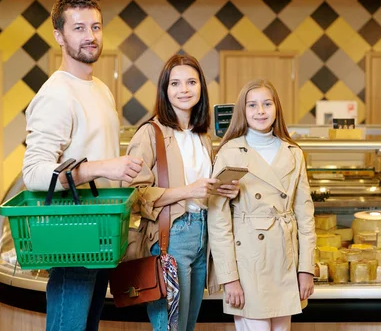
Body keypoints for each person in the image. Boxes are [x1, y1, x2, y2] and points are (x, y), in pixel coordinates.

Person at [22, 0, 143, 331]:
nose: (90, 36)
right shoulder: (56, 94)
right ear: (59, 36)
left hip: (101, 230)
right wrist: (103, 168)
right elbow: (33, 173)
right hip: (71, 233)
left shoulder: (100, 87)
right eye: (78, 28)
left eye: (96, 26)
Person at [125, 54, 238, 331]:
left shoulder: (202, 136)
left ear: (201, 88)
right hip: (170, 238)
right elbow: (135, 195)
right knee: (170, 328)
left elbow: (204, 191)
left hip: (203, 236)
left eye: (191, 82)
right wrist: (188, 191)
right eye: (175, 83)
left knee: (186, 327)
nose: (184, 89)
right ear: (165, 90)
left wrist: (222, 189)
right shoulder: (150, 133)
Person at [208, 79, 316, 331]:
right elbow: (218, 220)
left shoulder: (293, 152)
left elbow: (306, 216)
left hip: (285, 260)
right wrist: (229, 278)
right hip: (248, 264)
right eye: (252, 105)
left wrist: (306, 269)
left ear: (276, 108)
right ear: (242, 111)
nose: (260, 111)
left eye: (267, 104)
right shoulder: (229, 152)